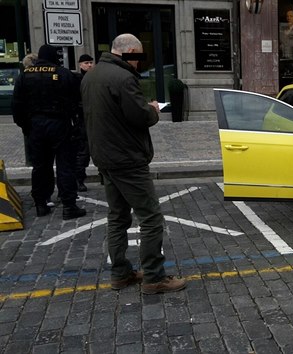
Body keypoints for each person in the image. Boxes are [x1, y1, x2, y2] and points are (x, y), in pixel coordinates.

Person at [81, 33, 186, 294]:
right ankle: (154, 277)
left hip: (104, 156)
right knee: (150, 217)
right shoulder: (124, 77)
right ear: (128, 51)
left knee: (117, 217)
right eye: (137, 57)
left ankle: (121, 273)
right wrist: (152, 108)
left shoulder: (91, 75)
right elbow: (139, 117)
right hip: (127, 158)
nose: (138, 63)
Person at [11, 44, 86, 220]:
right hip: (60, 123)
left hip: (35, 125)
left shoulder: (25, 76)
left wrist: (26, 126)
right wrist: (74, 121)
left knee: (40, 165)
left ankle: (41, 203)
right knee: (65, 164)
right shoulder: (63, 73)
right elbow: (77, 99)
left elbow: (17, 105)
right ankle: (68, 205)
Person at [73, 54, 94, 192]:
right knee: (83, 153)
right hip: (82, 121)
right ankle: (79, 179)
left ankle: (105, 177)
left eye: (91, 62)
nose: (90, 65)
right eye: (87, 63)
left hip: (96, 120)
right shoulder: (76, 79)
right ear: (80, 65)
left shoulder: (95, 78)